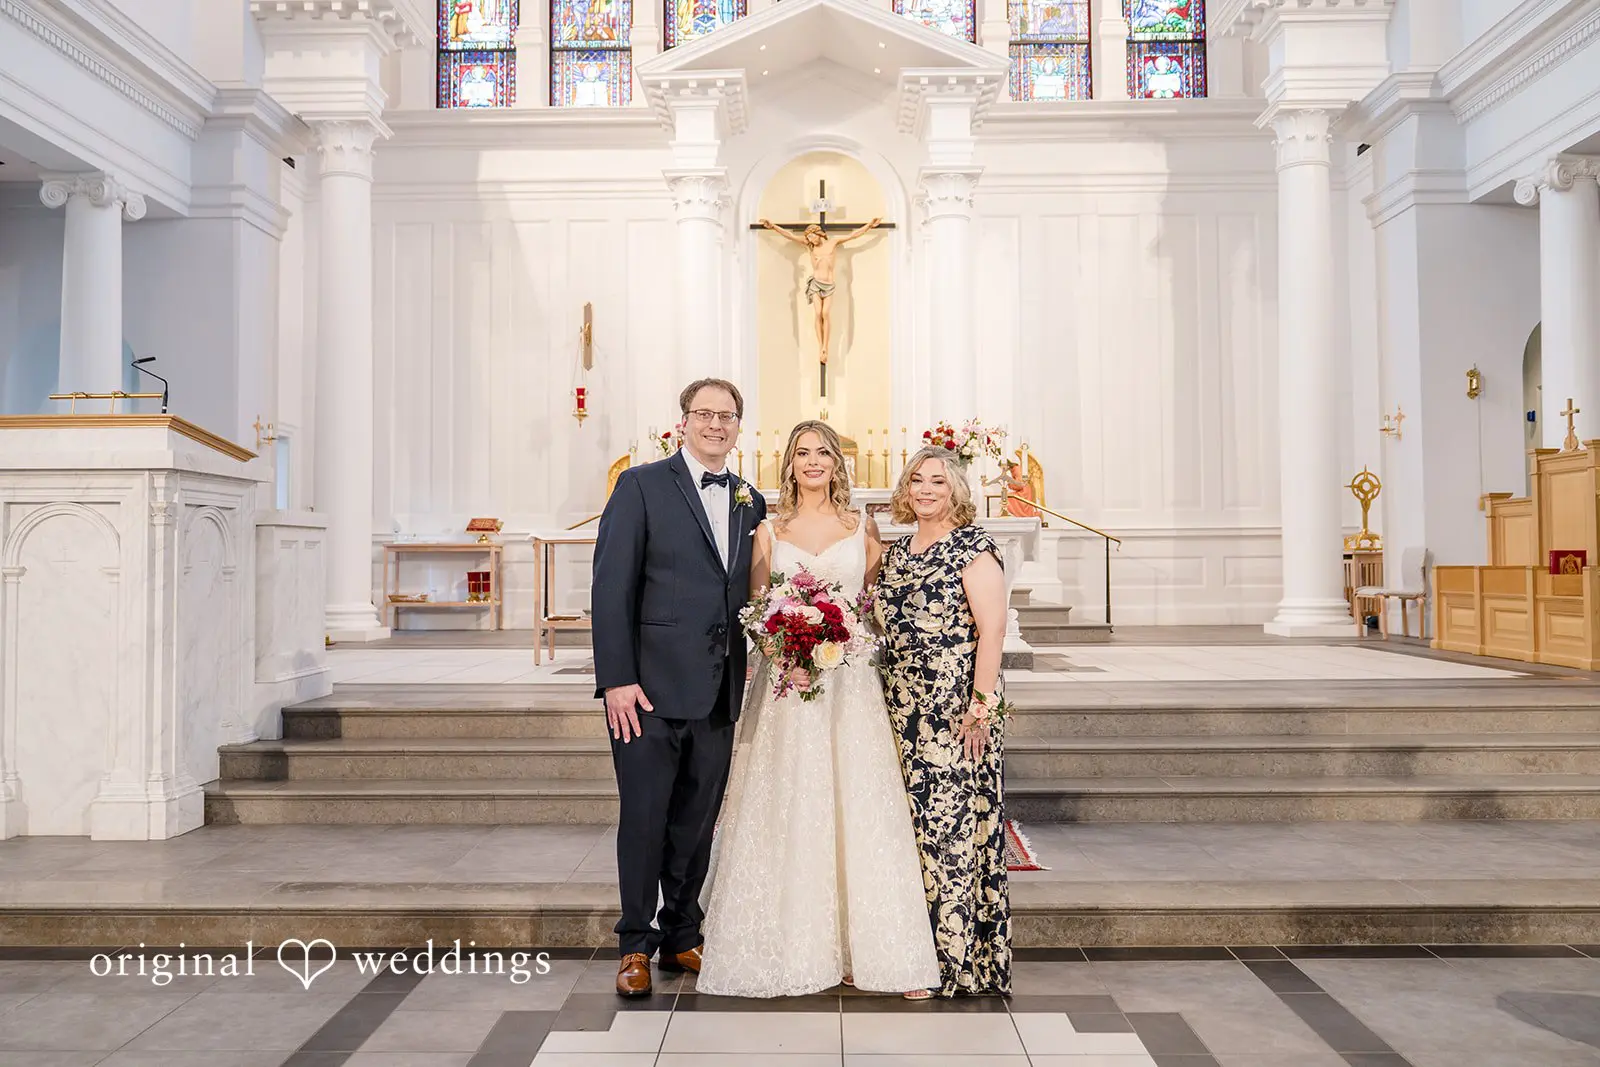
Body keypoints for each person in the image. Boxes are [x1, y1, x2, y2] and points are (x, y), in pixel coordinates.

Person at [696, 422, 939, 999]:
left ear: (838, 461)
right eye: (802, 453)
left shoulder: (864, 527)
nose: (813, 462)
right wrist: (788, 649)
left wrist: (844, 641)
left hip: (850, 688)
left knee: (857, 804)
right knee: (792, 802)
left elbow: (874, 604)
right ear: (789, 463)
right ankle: (791, 942)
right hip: (789, 687)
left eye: (823, 452)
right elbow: (756, 610)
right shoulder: (766, 530)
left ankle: (876, 949)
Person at [591, 378, 768, 998]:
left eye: (727, 416)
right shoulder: (640, 485)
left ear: (739, 426)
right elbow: (611, 587)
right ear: (684, 421)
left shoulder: (752, 501)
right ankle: (634, 943)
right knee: (644, 818)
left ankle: (682, 934)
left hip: (719, 688)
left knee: (698, 820)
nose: (716, 425)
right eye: (705, 414)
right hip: (647, 692)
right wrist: (616, 678)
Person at [875, 446, 1013, 999]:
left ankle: (949, 965)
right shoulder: (898, 550)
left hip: (954, 710)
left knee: (948, 833)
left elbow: (993, 631)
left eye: (937, 481)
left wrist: (980, 708)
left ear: (957, 490)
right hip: (901, 706)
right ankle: (909, 949)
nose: (925, 489)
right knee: (908, 832)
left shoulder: (974, 549)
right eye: (916, 480)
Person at [757, 217, 881, 365]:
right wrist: (772, 226)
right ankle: (820, 347)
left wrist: (870, 225)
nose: (810, 239)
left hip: (829, 285)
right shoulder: (810, 247)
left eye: (812, 236)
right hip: (816, 283)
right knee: (817, 313)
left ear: (819, 233)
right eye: (808, 237)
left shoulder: (833, 243)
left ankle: (825, 347)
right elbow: (789, 235)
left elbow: (853, 235)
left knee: (825, 313)